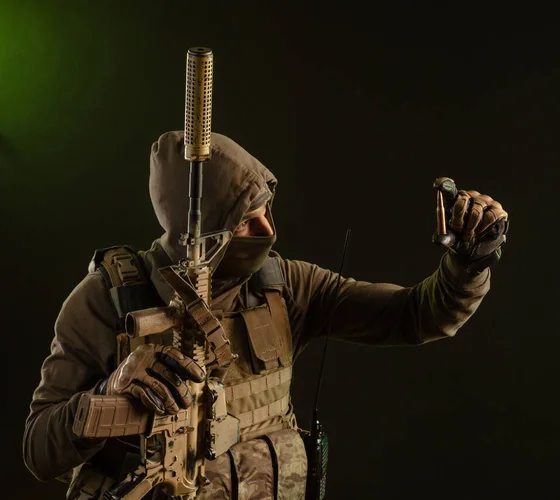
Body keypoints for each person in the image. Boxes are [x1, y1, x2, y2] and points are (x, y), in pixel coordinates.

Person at [23, 131, 509, 499]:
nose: (267, 230)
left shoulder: (283, 286)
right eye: (245, 221)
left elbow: (416, 316)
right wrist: (109, 393)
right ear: (203, 231)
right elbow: (39, 451)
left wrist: (468, 265)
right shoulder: (105, 302)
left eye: (266, 211)